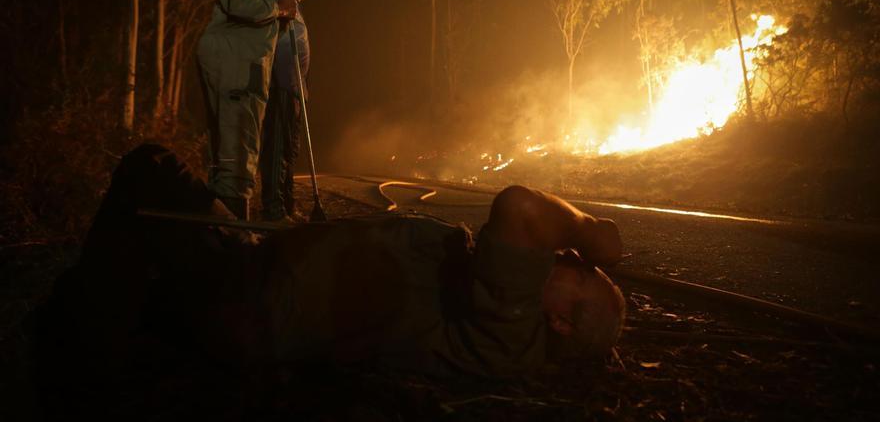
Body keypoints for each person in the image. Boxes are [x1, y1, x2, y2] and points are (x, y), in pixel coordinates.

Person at [32, 145, 625, 386]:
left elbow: (519, 205)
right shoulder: (512, 319)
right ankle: (90, 318)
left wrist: (589, 232)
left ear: (564, 322)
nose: (566, 259)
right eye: (577, 262)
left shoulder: (511, 317)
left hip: (256, 302)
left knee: (151, 172)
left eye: (579, 273)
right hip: (262, 274)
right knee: (166, 213)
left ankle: (78, 355)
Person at [197, 0, 302, 221]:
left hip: (244, 62)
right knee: (237, 151)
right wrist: (278, 6)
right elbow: (240, 3)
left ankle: (222, 230)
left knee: (232, 151)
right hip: (236, 63)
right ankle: (232, 237)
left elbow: (268, 23)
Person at [259, 0, 312, 222]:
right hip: (280, 89)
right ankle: (274, 209)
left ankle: (287, 205)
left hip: (292, 91)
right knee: (277, 151)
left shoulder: (296, 8)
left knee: (290, 151)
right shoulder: (283, 6)